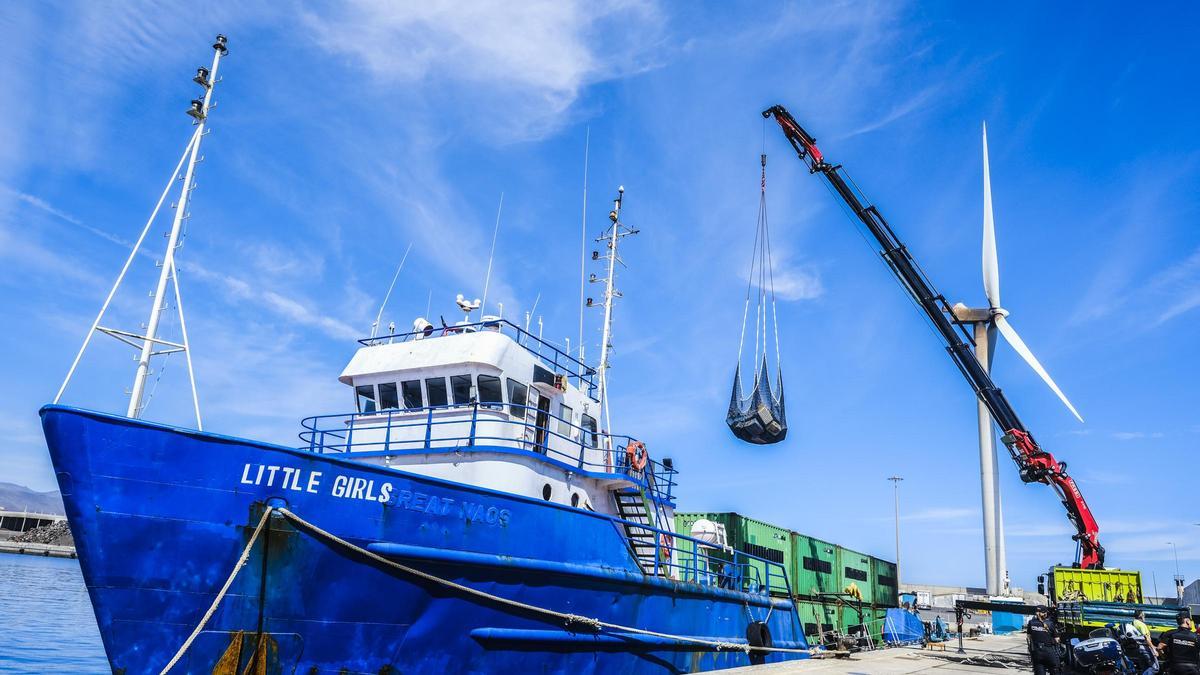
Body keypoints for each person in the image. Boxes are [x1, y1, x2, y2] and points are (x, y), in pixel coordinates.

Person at [1027, 606, 1062, 675]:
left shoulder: (1031, 623)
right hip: (1049, 652)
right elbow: (1057, 640)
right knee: (1055, 670)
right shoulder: (1050, 624)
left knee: (1039, 670)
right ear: (1045, 613)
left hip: (1036, 652)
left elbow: (1029, 637)